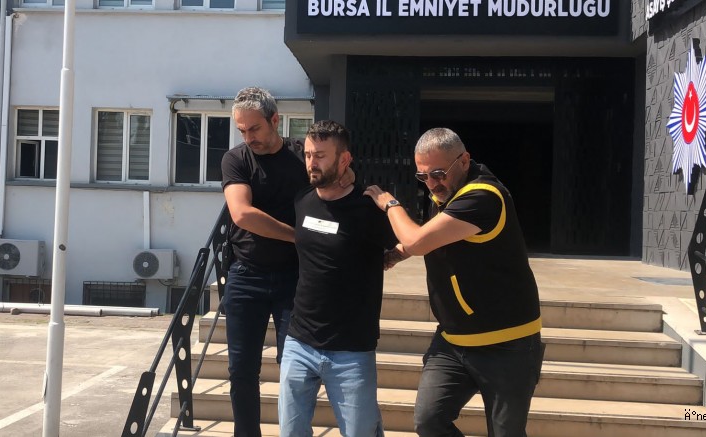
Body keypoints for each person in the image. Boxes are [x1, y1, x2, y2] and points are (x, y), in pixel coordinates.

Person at [364, 127, 544, 437]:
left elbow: (419, 240)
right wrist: (394, 255)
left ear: (463, 160)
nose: (431, 183)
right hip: (453, 340)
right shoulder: (446, 195)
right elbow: (437, 236)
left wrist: (391, 205)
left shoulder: (484, 197)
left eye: (437, 173)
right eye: (423, 176)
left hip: (507, 342)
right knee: (429, 421)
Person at [220, 87, 352, 436]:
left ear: (275, 120)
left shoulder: (300, 156)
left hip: (295, 278)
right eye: (242, 130)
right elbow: (242, 214)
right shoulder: (236, 160)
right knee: (241, 370)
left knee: (295, 368)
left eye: (255, 128)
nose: (248, 137)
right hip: (246, 275)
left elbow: (341, 184)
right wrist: (299, 236)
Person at [278, 120, 396, 437]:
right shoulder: (303, 200)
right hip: (300, 342)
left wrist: (392, 257)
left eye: (320, 156)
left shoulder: (368, 209)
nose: (311, 163)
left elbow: (411, 241)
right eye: (308, 155)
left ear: (344, 160)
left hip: (351, 350)